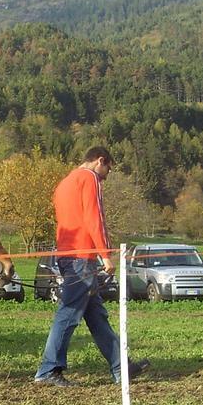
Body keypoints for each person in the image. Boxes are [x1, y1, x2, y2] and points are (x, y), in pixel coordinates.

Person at [34, 147, 149, 387]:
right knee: (69, 312)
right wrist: (105, 256)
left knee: (96, 315)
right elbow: (94, 217)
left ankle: (121, 367)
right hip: (81, 256)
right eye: (108, 169)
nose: (106, 175)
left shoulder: (64, 183)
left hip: (67, 254)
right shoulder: (89, 178)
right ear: (100, 161)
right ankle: (48, 370)